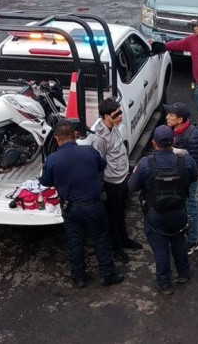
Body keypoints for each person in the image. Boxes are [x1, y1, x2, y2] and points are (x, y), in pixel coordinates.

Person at [39, 121, 124, 288]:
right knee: (101, 239)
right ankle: (107, 275)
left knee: (75, 241)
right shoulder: (90, 151)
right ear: (76, 135)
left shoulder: (53, 159)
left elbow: (46, 181)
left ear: (57, 138)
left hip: (70, 208)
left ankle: (79, 278)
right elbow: (102, 165)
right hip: (94, 205)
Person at [128, 126, 198, 294]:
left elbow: (132, 186)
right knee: (179, 242)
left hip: (156, 214)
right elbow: (194, 176)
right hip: (179, 211)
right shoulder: (185, 161)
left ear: (154, 143)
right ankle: (184, 273)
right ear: (173, 141)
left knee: (160, 250)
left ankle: (164, 283)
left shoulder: (145, 164)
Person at [92, 97, 142, 264]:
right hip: (112, 183)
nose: (121, 116)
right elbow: (99, 163)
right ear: (106, 117)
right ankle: (117, 248)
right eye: (117, 114)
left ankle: (124, 240)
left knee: (121, 213)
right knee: (113, 217)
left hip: (122, 177)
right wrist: (103, 188)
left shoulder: (114, 128)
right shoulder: (100, 139)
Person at [164, 102, 198, 254]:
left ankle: (193, 240)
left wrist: (178, 153)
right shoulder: (170, 131)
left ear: (180, 120)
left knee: (190, 209)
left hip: (187, 180)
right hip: (175, 178)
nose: (167, 117)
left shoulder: (193, 135)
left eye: (171, 115)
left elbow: (196, 166)